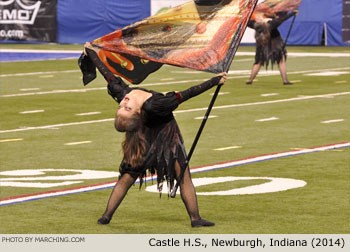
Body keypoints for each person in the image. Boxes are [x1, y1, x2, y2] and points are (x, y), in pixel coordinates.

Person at [82, 42, 227, 228]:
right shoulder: (156, 104)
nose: (124, 101)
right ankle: (107, 216)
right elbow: (188, 93)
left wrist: (91, 52)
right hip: (162, 137)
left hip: (154, 136)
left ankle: (194, 218)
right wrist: (214, 81)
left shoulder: (123, 93)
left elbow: (106, 73)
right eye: (126, 108)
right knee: (139, 176)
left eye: (122, 107)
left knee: (165, 174)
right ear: (138, 113)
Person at [246, 10, 298, 85]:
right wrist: (292, 14)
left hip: (262, 44)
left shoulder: (254, 24)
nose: (259, 18)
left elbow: (246, 22)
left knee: (258, 62)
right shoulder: (271, 24)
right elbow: (281, 19)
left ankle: (250, 80)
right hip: (275, 43)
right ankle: (285, 80)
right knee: (280, 60)